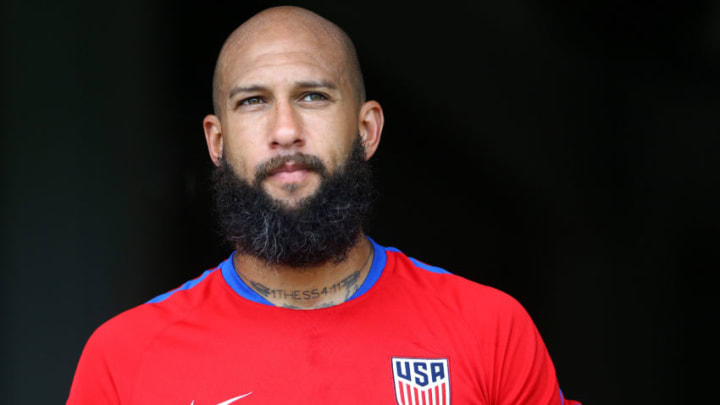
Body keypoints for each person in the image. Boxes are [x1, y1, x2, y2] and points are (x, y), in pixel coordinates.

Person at [68, 6, 580, 405]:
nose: (285, 130)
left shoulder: (491, 331)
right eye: (253, 101)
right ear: (216, 142)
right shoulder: (124, 357)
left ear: (367, 129)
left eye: (313, 96)